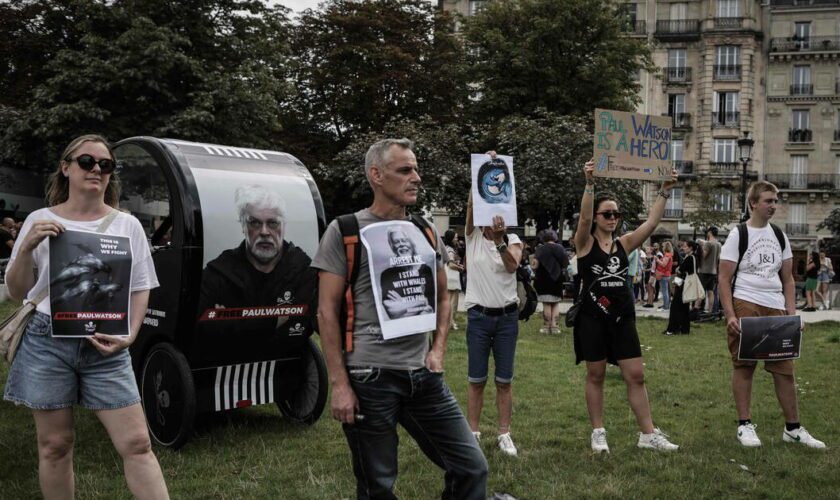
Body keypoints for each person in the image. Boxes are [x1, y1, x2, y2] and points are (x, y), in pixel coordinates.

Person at [312, 138, 487, 499]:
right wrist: (340, 384)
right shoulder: (345, 230)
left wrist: (438, 349)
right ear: (376, 175)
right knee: (378, 485)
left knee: (471, 466)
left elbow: (442, 297)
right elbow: (326, 312)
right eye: (405, 170)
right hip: (369, 377)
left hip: (423, 376)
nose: (417, 178)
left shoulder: (425, 230)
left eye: (417, 169)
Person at [2, 135, 169, 498]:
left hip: (106, 344)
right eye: (86, 162)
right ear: (66, 168)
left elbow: (142, 287)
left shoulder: (128, 225)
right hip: (47, 341)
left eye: (105, 165)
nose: (96, 169)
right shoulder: (38, 219)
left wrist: (131, 334)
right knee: (55, 446)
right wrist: (27, 245)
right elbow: (17, 292)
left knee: (138, 443)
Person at [572, 159, 679, 453]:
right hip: (592, 318)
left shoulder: (624, 244)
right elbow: (582, 221)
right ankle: (598, 432)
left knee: (636, 375)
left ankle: (647, 434)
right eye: (607, 213)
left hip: (622, 319)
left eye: (616, 214)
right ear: (596, 217)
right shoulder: (583, 243)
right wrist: (590, 183)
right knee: (596, 375)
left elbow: (651, 223)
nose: (613, 218)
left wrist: (665, 190)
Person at [718, 181, 825, 449]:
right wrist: (730, 315)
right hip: (746, 302)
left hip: (776, 307)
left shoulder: (780, 235)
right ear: (753, 203)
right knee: (745, 366)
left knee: (785, 370)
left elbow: (788, 279)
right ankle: (744, 425)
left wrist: (792, 315)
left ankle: (793, 429)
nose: (774, 205)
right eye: (768, 201)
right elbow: (723, 279)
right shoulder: (738, 235)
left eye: (775, 201)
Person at [195, 185, 317, 366]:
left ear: (283, 225)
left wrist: (229, 320)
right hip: (225, 371)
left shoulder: (303, 269)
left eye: (272, 223)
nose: (265, 232)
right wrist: (274, 321)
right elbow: (200, 329)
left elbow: (301, 328)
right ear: (243, 226)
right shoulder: (218, 272)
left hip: (286, 374)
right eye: (255, 223)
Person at [464, 161, 524, 456]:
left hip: (506, 320)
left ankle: (504, 433)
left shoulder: (513, 240)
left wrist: (500, 241)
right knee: (476, 380)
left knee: (504, 380)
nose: (491, 220)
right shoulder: (472, 236)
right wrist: (486, 166)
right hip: (478, 318)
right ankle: (472, 433)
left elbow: (512, 267)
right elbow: (472, 202)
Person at [378, 227, 436, 319]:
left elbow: (431, 308)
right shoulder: (387, 275)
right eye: (396, 242)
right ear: (393, 247)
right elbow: (392, 311)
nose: (401, 244)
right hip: (397, 329)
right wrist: (422, 302)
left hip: (421, 329)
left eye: (404, 240)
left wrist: (402, 304)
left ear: (412, 244)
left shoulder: (425, 270)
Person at [532, 229, 568, 334]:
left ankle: (546, 327)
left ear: (544, 239)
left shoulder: (540, 249)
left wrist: (534, 268)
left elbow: (535, 265)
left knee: (547, 304)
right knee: (555, 303)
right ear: (555, 238)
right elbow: (566, 263)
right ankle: (555, 327)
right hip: (557, 279)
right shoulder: (560, 248)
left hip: (543, 279)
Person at [664, 241, 700, 335]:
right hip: (686, 283)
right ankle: (684, 329)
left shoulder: (689, 258)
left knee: (675, 306)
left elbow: (681, 270)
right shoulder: (694, 257)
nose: (683, 248)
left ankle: (673, 329)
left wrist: (678, 271)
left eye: (685, 246)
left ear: (691, 248)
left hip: (683, 284)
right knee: (684, 307)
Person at [696, 227, 721, 314]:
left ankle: (696, 309)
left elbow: (704, 256)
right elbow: (718, 258)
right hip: (713, 271)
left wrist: (701, 246)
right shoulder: (718, 244)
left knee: (700, 291)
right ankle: (710, 312)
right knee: (710, 292)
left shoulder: (708, 243)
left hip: (704, 271)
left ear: (710, 232)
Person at [444, 229, 465, 329]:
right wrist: (460, 268)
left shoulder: (447, 248)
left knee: (449, 302)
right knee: (453, 303)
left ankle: (449, 322)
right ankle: (450, 323)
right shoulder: (450, 250)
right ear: (451, 238)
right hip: (451, 277)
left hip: (449, 277)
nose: (457, 239)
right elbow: (451, 265)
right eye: (455, 237)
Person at [655, 241, 673, 311]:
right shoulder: (668, 254)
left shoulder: (667, 255)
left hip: (664, 275)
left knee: (664, 291)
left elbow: (663, 264)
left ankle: (666, 306)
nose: (662, 248)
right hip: (666, 274)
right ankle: (666, 304)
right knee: (665, 291)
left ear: (666, 247)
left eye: (663, 246)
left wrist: (657, 260)